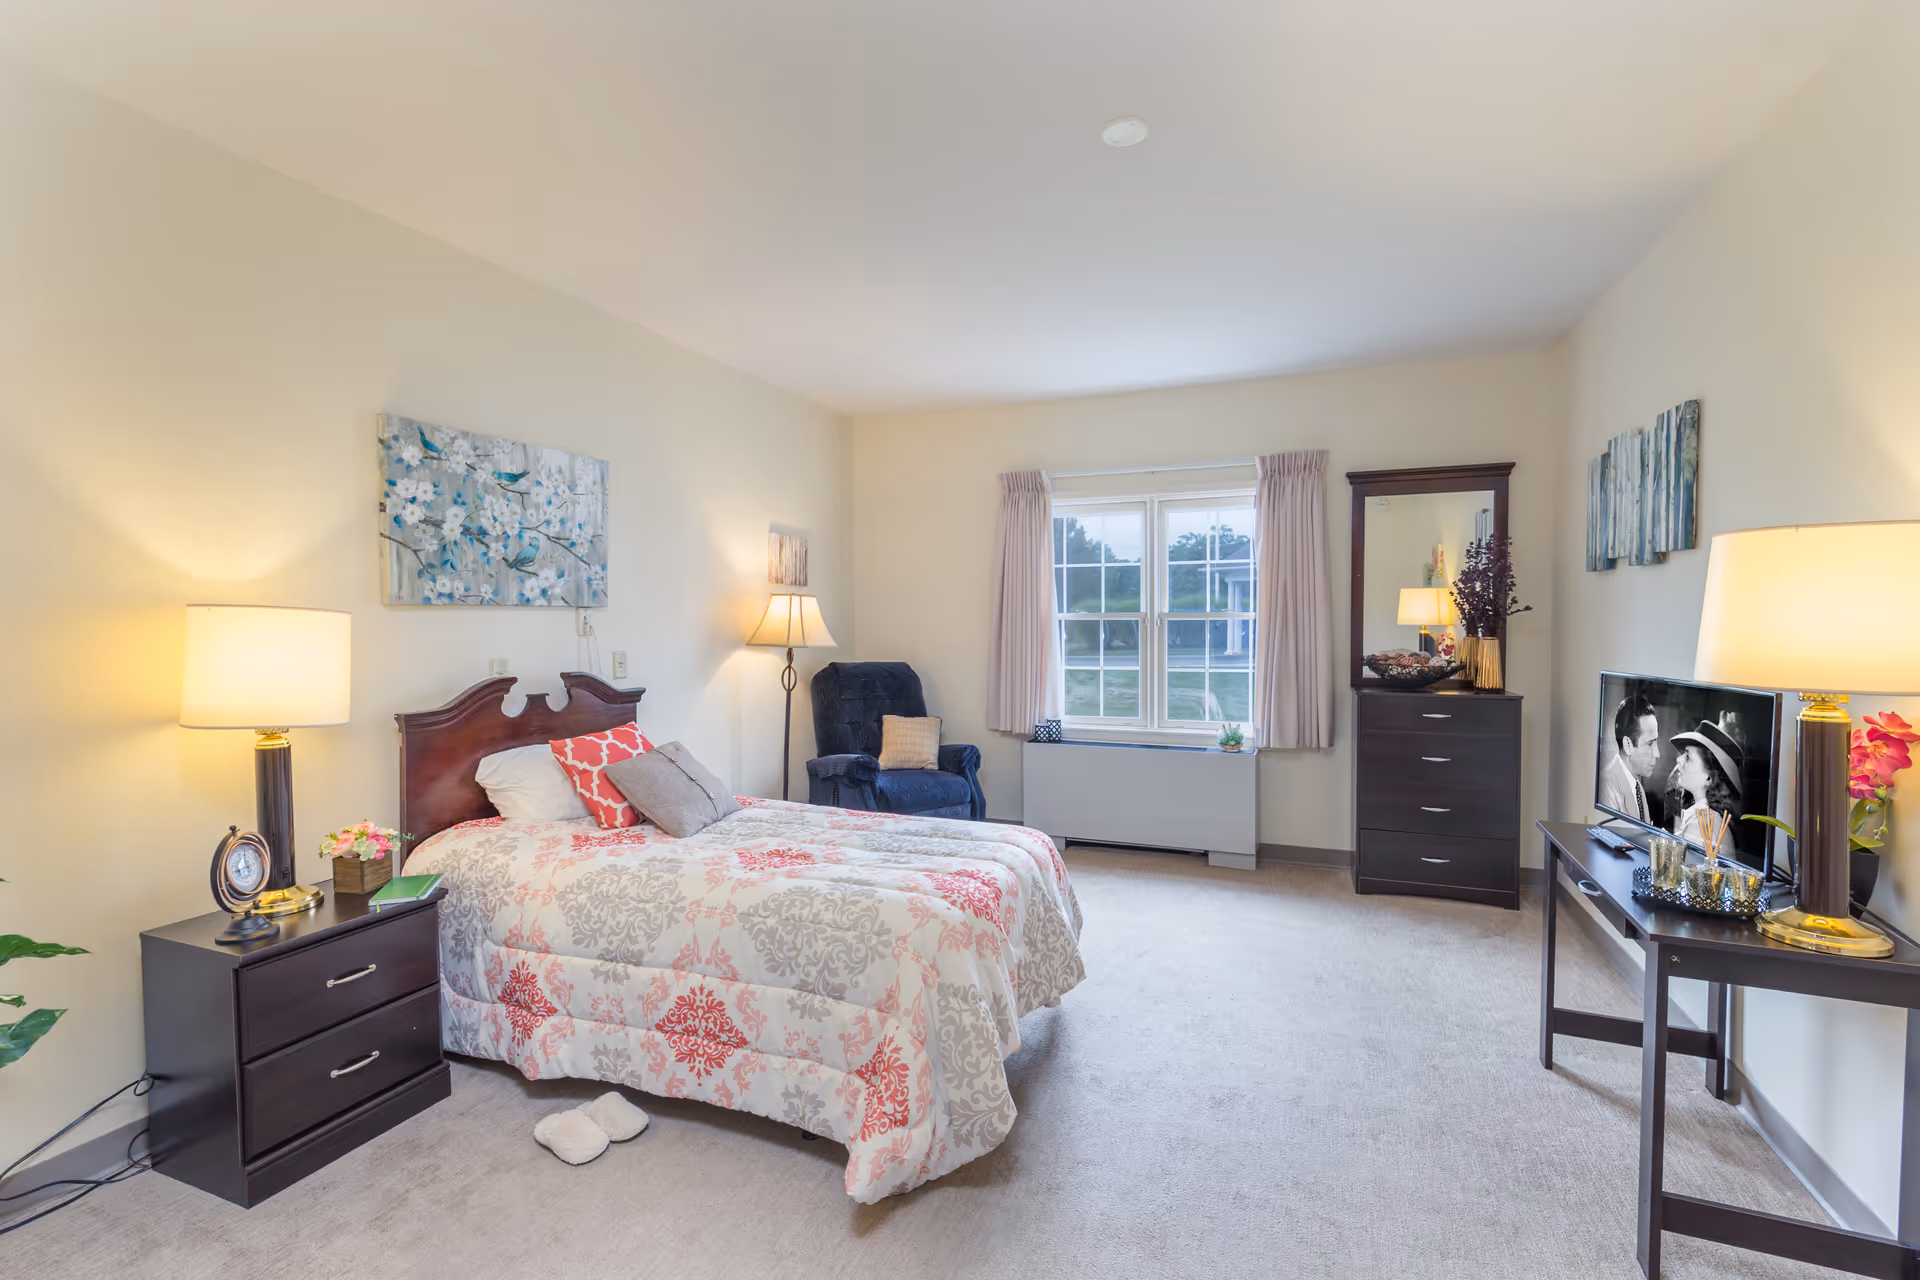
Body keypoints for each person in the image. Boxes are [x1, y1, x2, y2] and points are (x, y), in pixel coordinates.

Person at [1667, 714, 1745, 850]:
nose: (1679, 760)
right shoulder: (1709, 819)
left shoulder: (1701, 826)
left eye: (1688, 756)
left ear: (1708, 778)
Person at [1599, 690, 1662, 825]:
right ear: (1628, 745)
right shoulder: (1605, 788)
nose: (1657, 753)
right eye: (1650, 743)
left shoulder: (1638, 787)